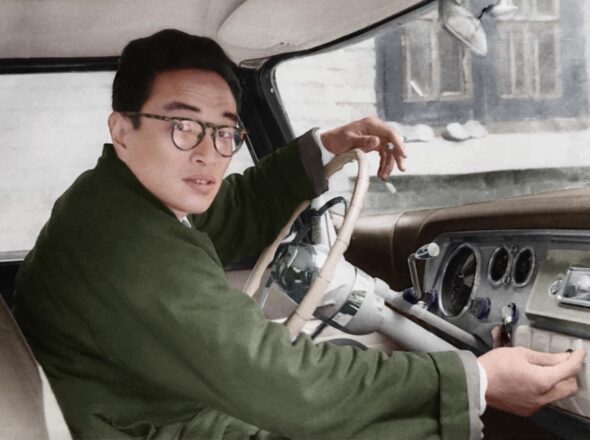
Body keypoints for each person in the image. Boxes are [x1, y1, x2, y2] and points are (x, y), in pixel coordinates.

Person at [14, 29, 584, 440]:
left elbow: (230, 208)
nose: (208, 154)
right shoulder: (129, 244)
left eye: (224, 133)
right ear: (122, 129)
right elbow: (282, 384)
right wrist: (477, 379)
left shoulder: (116, 196)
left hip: (139, 401)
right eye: (182, 126)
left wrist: (325, 147)